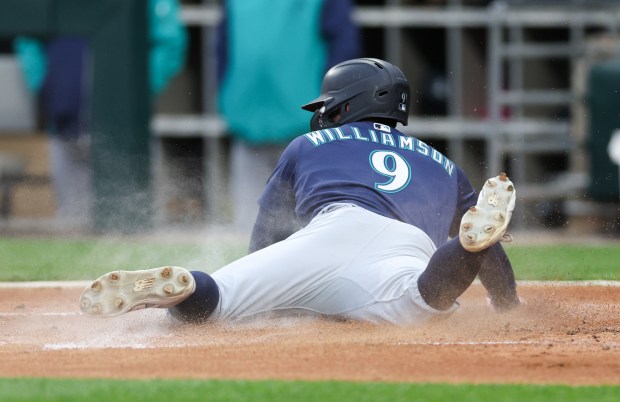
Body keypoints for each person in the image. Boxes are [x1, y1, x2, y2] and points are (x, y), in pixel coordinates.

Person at [80, 58, 522, 325]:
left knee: (217, 305)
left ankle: (186, 286)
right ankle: (464, 248)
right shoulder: (444, 165)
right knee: (423, 303)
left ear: (349, 105)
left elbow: (268, 233)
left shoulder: (308, 144)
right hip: (407, 247)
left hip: (328, 232)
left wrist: (269, 289)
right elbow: (495, 259)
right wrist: (508, 304)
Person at [13, 0, 187, 230]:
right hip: (66, 123)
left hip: (127, 132)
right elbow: (28, 38)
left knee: (133, 223)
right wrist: (48, 87)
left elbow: (169, 42)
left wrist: (139, 91)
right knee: (73, 226)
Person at [216, 0, 361, 233]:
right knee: (249, 229)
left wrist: (330, 102)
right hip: (247, 122)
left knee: (307, 227)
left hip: (306, 127)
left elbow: (344, 48)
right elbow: (223, 46)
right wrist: (227, 98)